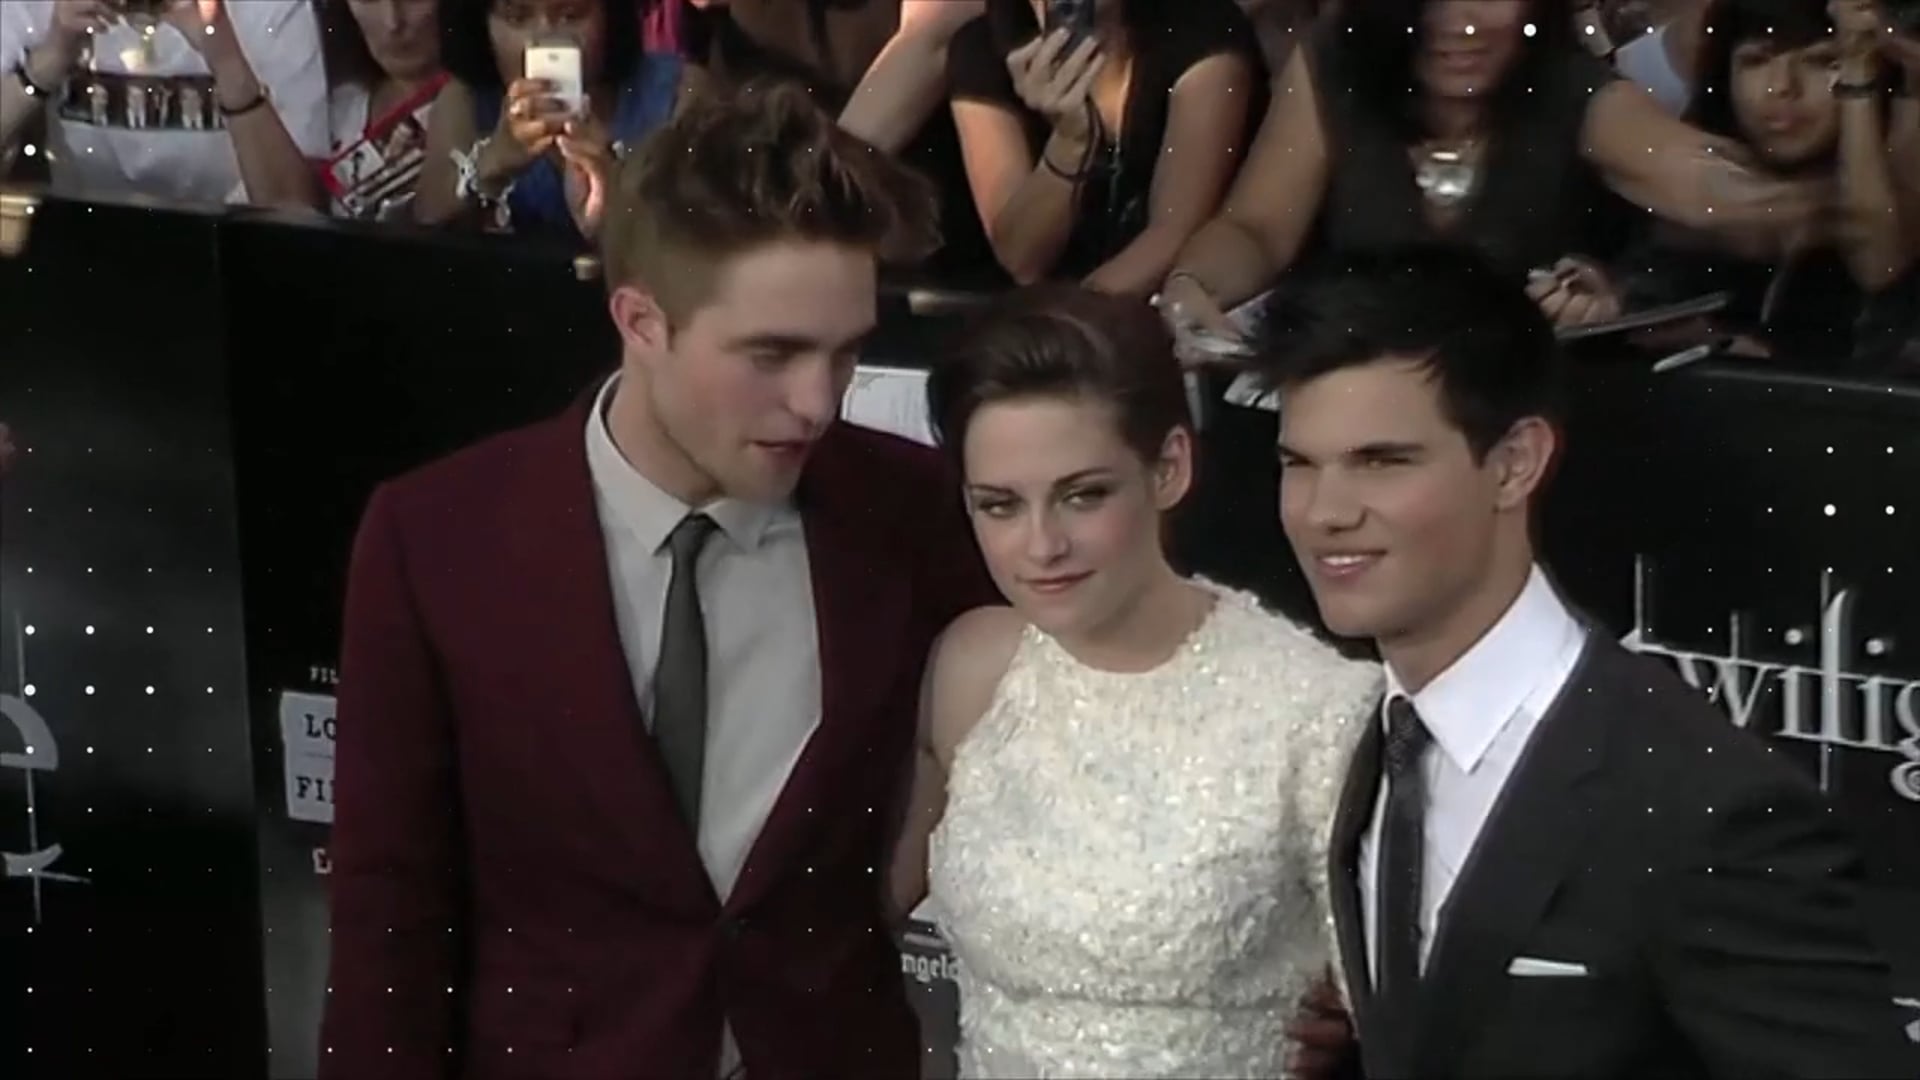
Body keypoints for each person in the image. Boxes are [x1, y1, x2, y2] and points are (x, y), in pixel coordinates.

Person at [319, 79, 997, 1080]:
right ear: (641, 322)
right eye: (772, 354)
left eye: (845, 352)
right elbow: (390, 915)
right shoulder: (436, 540)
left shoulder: (915, 512)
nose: (817, 402)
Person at [1246, 246, 1920, 1078]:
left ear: (1515, 463)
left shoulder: (1704, 807)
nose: (1325, 513)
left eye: (1382, 462)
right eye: (1299, 465)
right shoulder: (1368, 738)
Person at [886, 283, 1380, 1077]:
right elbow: (868, 918)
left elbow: (1396, 1013)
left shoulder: (1321, 708)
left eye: (1083, 495)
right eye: (1000, 506)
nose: (1041, 545)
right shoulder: (974, 668)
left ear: (1169, 468)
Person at [1160, 0, 1841, 335]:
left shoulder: (1564, 84)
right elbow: (1256, 228)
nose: (1464, 21)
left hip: (1516, 426)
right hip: (1355, 397)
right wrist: (1193, 286)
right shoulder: (1334, 66)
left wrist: (1831, 197)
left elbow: (1697, 178)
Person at [1615, 0, 1919, 371]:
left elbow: (1881, 279)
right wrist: (1608, 305)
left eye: (1822, 61)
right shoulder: (1692, 200)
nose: (1781, 86)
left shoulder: (1891, 216)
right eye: (1756, 61)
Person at [946, 0, 1267, 295]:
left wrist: (1077, 317)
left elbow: (1174, 232)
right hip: (1049, 312)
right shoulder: (983, 47)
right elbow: (1022, 259)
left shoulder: (1201, 30)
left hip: (1152, 303)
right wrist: (1071, 142)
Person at [0, 0, 328, 205]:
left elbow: (298, 209)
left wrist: (225, 58)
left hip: (230, 253)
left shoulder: (270, 8)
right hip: (85, 245)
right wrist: (48, 62)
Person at [412, 0, 681, 242]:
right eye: (517, 17)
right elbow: (425, 223)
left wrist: (616, 203)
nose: (544, 39)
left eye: (571, 15)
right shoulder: (468, 100)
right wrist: (491, 163)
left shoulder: (678, 93)